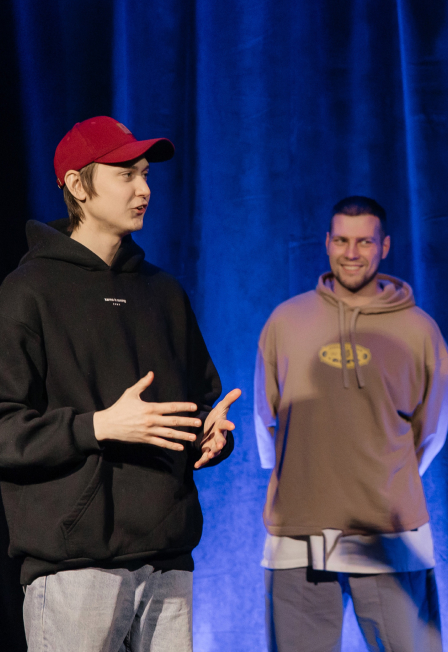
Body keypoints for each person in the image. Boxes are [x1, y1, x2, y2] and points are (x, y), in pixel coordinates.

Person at [0, 116, 240, 652]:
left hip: (168, 560)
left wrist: (212, 436)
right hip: (76, 567)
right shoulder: (27, 292)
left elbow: (200, 403)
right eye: (126, 174)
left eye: (146, 174)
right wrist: (98, 426)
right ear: (78, 186)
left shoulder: (164, 292)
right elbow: (5, 429)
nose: (144, 189)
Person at [254, 196, 448, 652]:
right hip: (299, 534)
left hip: (390, 535)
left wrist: (384, 478)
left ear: (385, 246)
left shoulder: (420, 330)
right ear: (326, 243)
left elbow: (433, 429)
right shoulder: (286, 321)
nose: (352, 253)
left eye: (364, 242)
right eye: (341, 241)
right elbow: (267, 418)